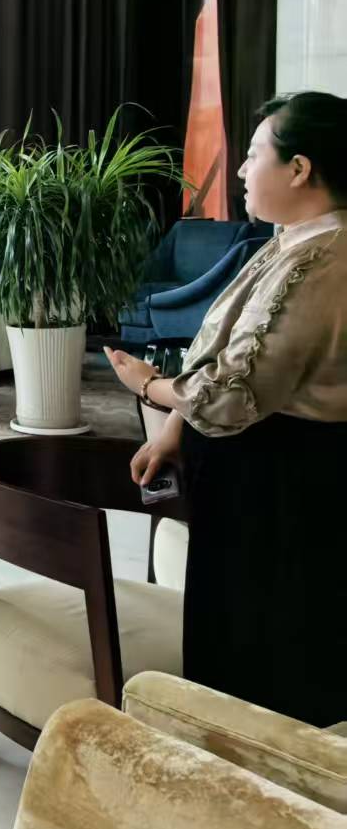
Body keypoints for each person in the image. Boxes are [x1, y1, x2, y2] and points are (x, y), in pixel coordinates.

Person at [106, 92, 347, 727]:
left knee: (271, 650)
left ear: (299, 169)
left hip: (287, 482)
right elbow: (220, 356)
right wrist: (174, 431)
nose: (241, 169)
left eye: (254, 154)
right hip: (250, 467)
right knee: (227, 631)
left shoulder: (326, 260)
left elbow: (234, 389)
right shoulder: (291, 242)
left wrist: (151, 387)